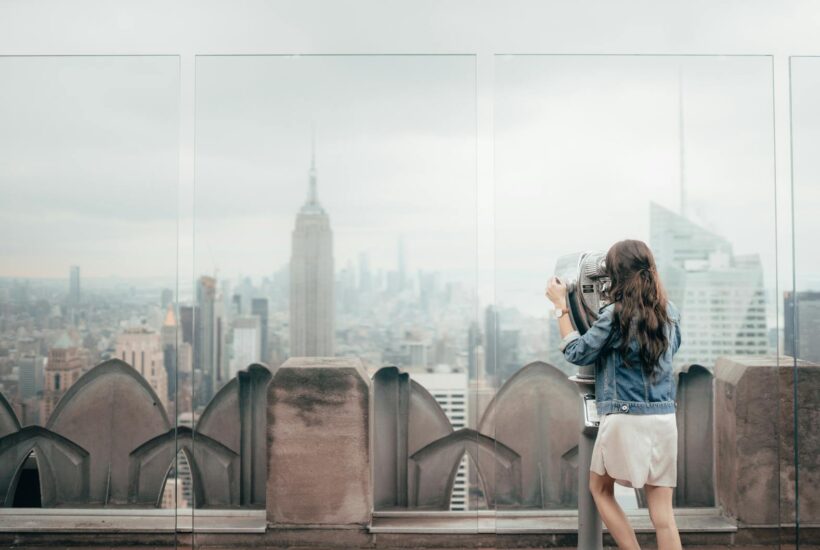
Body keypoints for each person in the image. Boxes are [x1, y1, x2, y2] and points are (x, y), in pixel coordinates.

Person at [546, 239, 683, 550]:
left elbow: (578, 352)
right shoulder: (670, 312)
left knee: (600, 489)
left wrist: (561, 307)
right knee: (663, 514)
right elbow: (671, 350)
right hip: (663, 419)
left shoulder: (614, 315)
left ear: (614, 276)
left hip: (625, 417)